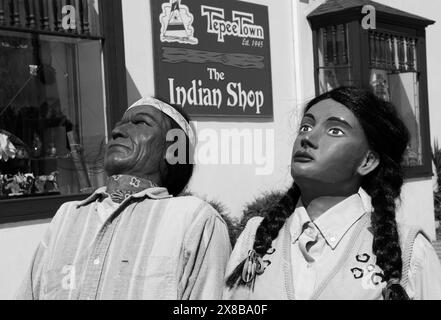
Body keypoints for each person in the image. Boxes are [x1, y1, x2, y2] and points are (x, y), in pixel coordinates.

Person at [224, 87, 441, 300]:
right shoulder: (255, 238)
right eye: (305, 127)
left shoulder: (410, 252)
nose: (307, 138)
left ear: (367, 161)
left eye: (335, 131)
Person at [16, 97, 231, 300]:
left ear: (173, 149)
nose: (117, 131)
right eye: (119, 124)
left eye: (140, 123)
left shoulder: (194, 219)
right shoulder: (67, 216)